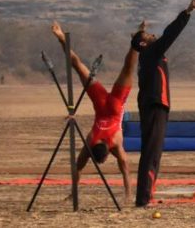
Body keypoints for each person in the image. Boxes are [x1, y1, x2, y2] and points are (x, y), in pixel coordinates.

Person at [49, 21, 136, 199]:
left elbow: (79, 167)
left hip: (113, 105)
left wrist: (74, 193)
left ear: (105, 155)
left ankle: (135, 44)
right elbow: (123, 169)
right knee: (79, 67)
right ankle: (61, 38)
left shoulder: (113, 144)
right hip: (102, 104)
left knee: (127, 69)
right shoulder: (90, 141)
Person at [132, 0, 195, 207]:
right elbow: (170, 34)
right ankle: (143, 199)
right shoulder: (151, 52)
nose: (153, 36)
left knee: (154, 151)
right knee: (152, 152)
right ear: (144, 44)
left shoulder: (149, 54)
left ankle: (147, 195)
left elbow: (156, 38)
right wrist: (186, 12)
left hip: (155, 105)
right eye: (148, 35)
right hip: (154, 106)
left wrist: (139, 30)